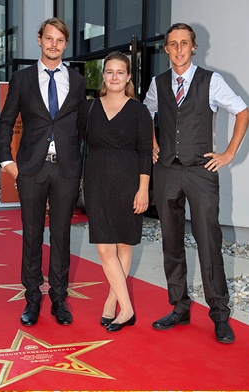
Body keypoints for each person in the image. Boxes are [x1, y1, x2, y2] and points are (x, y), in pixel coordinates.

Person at [142, 23, 249, 344]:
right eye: (173, 44)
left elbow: (243, 112)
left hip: (201, 173)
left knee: (208, 243)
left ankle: (220, 315)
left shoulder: (211, 80)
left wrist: (229, 153)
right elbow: (145, 112)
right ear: (166, 48)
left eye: (184, 43)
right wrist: (152, 143)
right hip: (167, 172)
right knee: (171, 242)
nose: (178, 49)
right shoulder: (158, 83)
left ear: (193, 47)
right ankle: (179, 307)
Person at [0, 17, 87, 327]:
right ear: (39, 39)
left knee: (61, 236)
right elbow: (6, 121)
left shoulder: (77, 81)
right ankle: (33, 298)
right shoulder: (21, 79)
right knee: (32, 235)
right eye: (49, 38)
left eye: (59, 40)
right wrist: (6, 160)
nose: (54, 44)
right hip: (31, 169)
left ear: (65, 44)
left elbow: (81, 126)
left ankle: (59, 299)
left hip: (66, 170)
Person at [77, 52, 153, 332]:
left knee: (123, 244)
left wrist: (143, 190)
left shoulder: (139, 111)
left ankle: (112, 302)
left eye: (120, 72)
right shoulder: (89, 109)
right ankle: (128, 309)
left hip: (128, 184)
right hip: (96, 183)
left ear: (128, 76)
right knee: (103, 247)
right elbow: (76, 143)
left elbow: (145, 152)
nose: (114, 77)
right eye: (109, 71)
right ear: (103, 76)